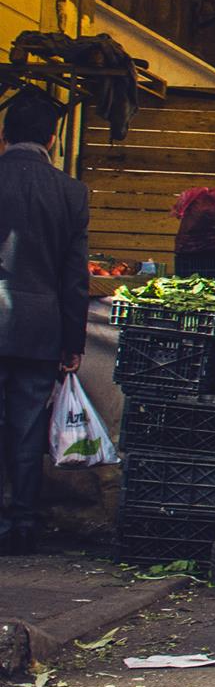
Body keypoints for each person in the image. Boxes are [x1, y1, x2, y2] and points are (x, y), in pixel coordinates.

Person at [0, 91, 88, 556]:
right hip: (40, 328)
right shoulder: (70, 192)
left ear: (3, 135)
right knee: (28, 427)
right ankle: (23, 524)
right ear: (53, 141)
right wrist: (73, 339)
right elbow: (74, 276)